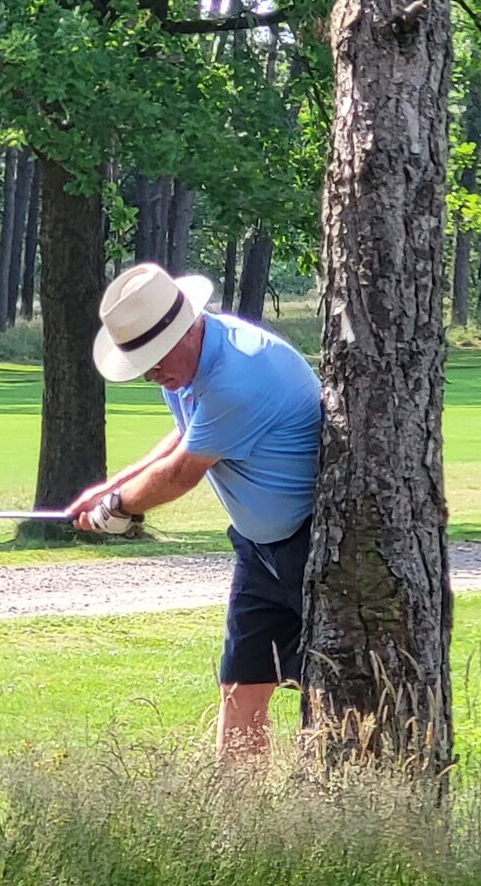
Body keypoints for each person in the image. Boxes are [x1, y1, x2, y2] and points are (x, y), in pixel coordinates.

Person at [67, 262, 321, 757]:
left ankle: (337, 794)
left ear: (187, 328)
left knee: (332, 683)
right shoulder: (189, 367)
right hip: (258, 546)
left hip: (311, 546)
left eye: (155, 357)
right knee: (241, 686)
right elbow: (187, 434)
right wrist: (109, 488)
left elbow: (182, 473)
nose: (151, 373)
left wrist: (117, 509)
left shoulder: (240, 376)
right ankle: (238, 804)